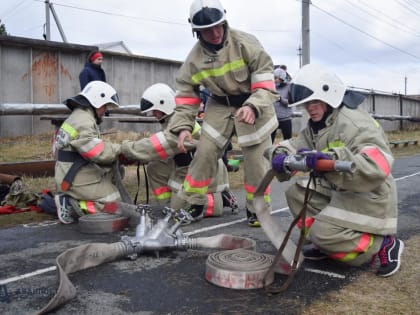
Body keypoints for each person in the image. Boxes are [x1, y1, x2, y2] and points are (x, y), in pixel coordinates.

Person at [269, 63, 404, 277]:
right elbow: (297, 145)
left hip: (369, 194)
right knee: (297, 194)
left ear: (329, 95)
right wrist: (280, 154)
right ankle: (326, 246)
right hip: (341, 189)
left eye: (314, 102)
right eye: (306, 104)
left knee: (323, 234)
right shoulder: (320, 123)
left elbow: (378, 164)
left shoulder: (354, 122)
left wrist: (332, 159)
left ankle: (383, 244)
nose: (310, 108)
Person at [166, 0, 278, 227]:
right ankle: (194, 203)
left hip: (253, 101)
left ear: (225, 22)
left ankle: (257, 209)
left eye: (218, 26)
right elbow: (187, 96)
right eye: (207, 30)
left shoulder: (246, 43)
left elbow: (266, 80)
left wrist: (253, 106)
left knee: (257, 161)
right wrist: (183, 128)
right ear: (196, 32)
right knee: (204, 153)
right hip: (219, 105)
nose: (215, 33)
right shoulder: (194, 60)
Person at [121, 83, 238, 222]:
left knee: (179, 209)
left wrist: (124, 149)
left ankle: (216, 201)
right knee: (155, 167)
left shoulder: (179, 123)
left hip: (205, 172)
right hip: (186, 167)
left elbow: (158, 145)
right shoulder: (173, 118)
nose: (153, 114)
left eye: (155, 110)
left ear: (164, 105)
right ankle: (168, 205)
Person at [54, 81, 135, 224]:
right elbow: (97, 152)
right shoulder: (83, 121)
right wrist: (121, 149)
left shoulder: (80, 116)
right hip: (73, 176)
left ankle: (75, 198)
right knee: (113, 199)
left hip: (72, 171)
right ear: (96, 102)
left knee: (115, 175)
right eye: (104, 106)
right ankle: (72, 205)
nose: (105, 110)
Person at [271, 67, 293, 143]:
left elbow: (291, 102)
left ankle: (288, 154)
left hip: (285, 119)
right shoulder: (273, 86)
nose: (275, 80)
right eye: (274, 78)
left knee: (288, 141)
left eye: (276, 78)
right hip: (274, 119)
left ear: (282, 78)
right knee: (269, 141)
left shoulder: (289, 87)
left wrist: (281, 99)